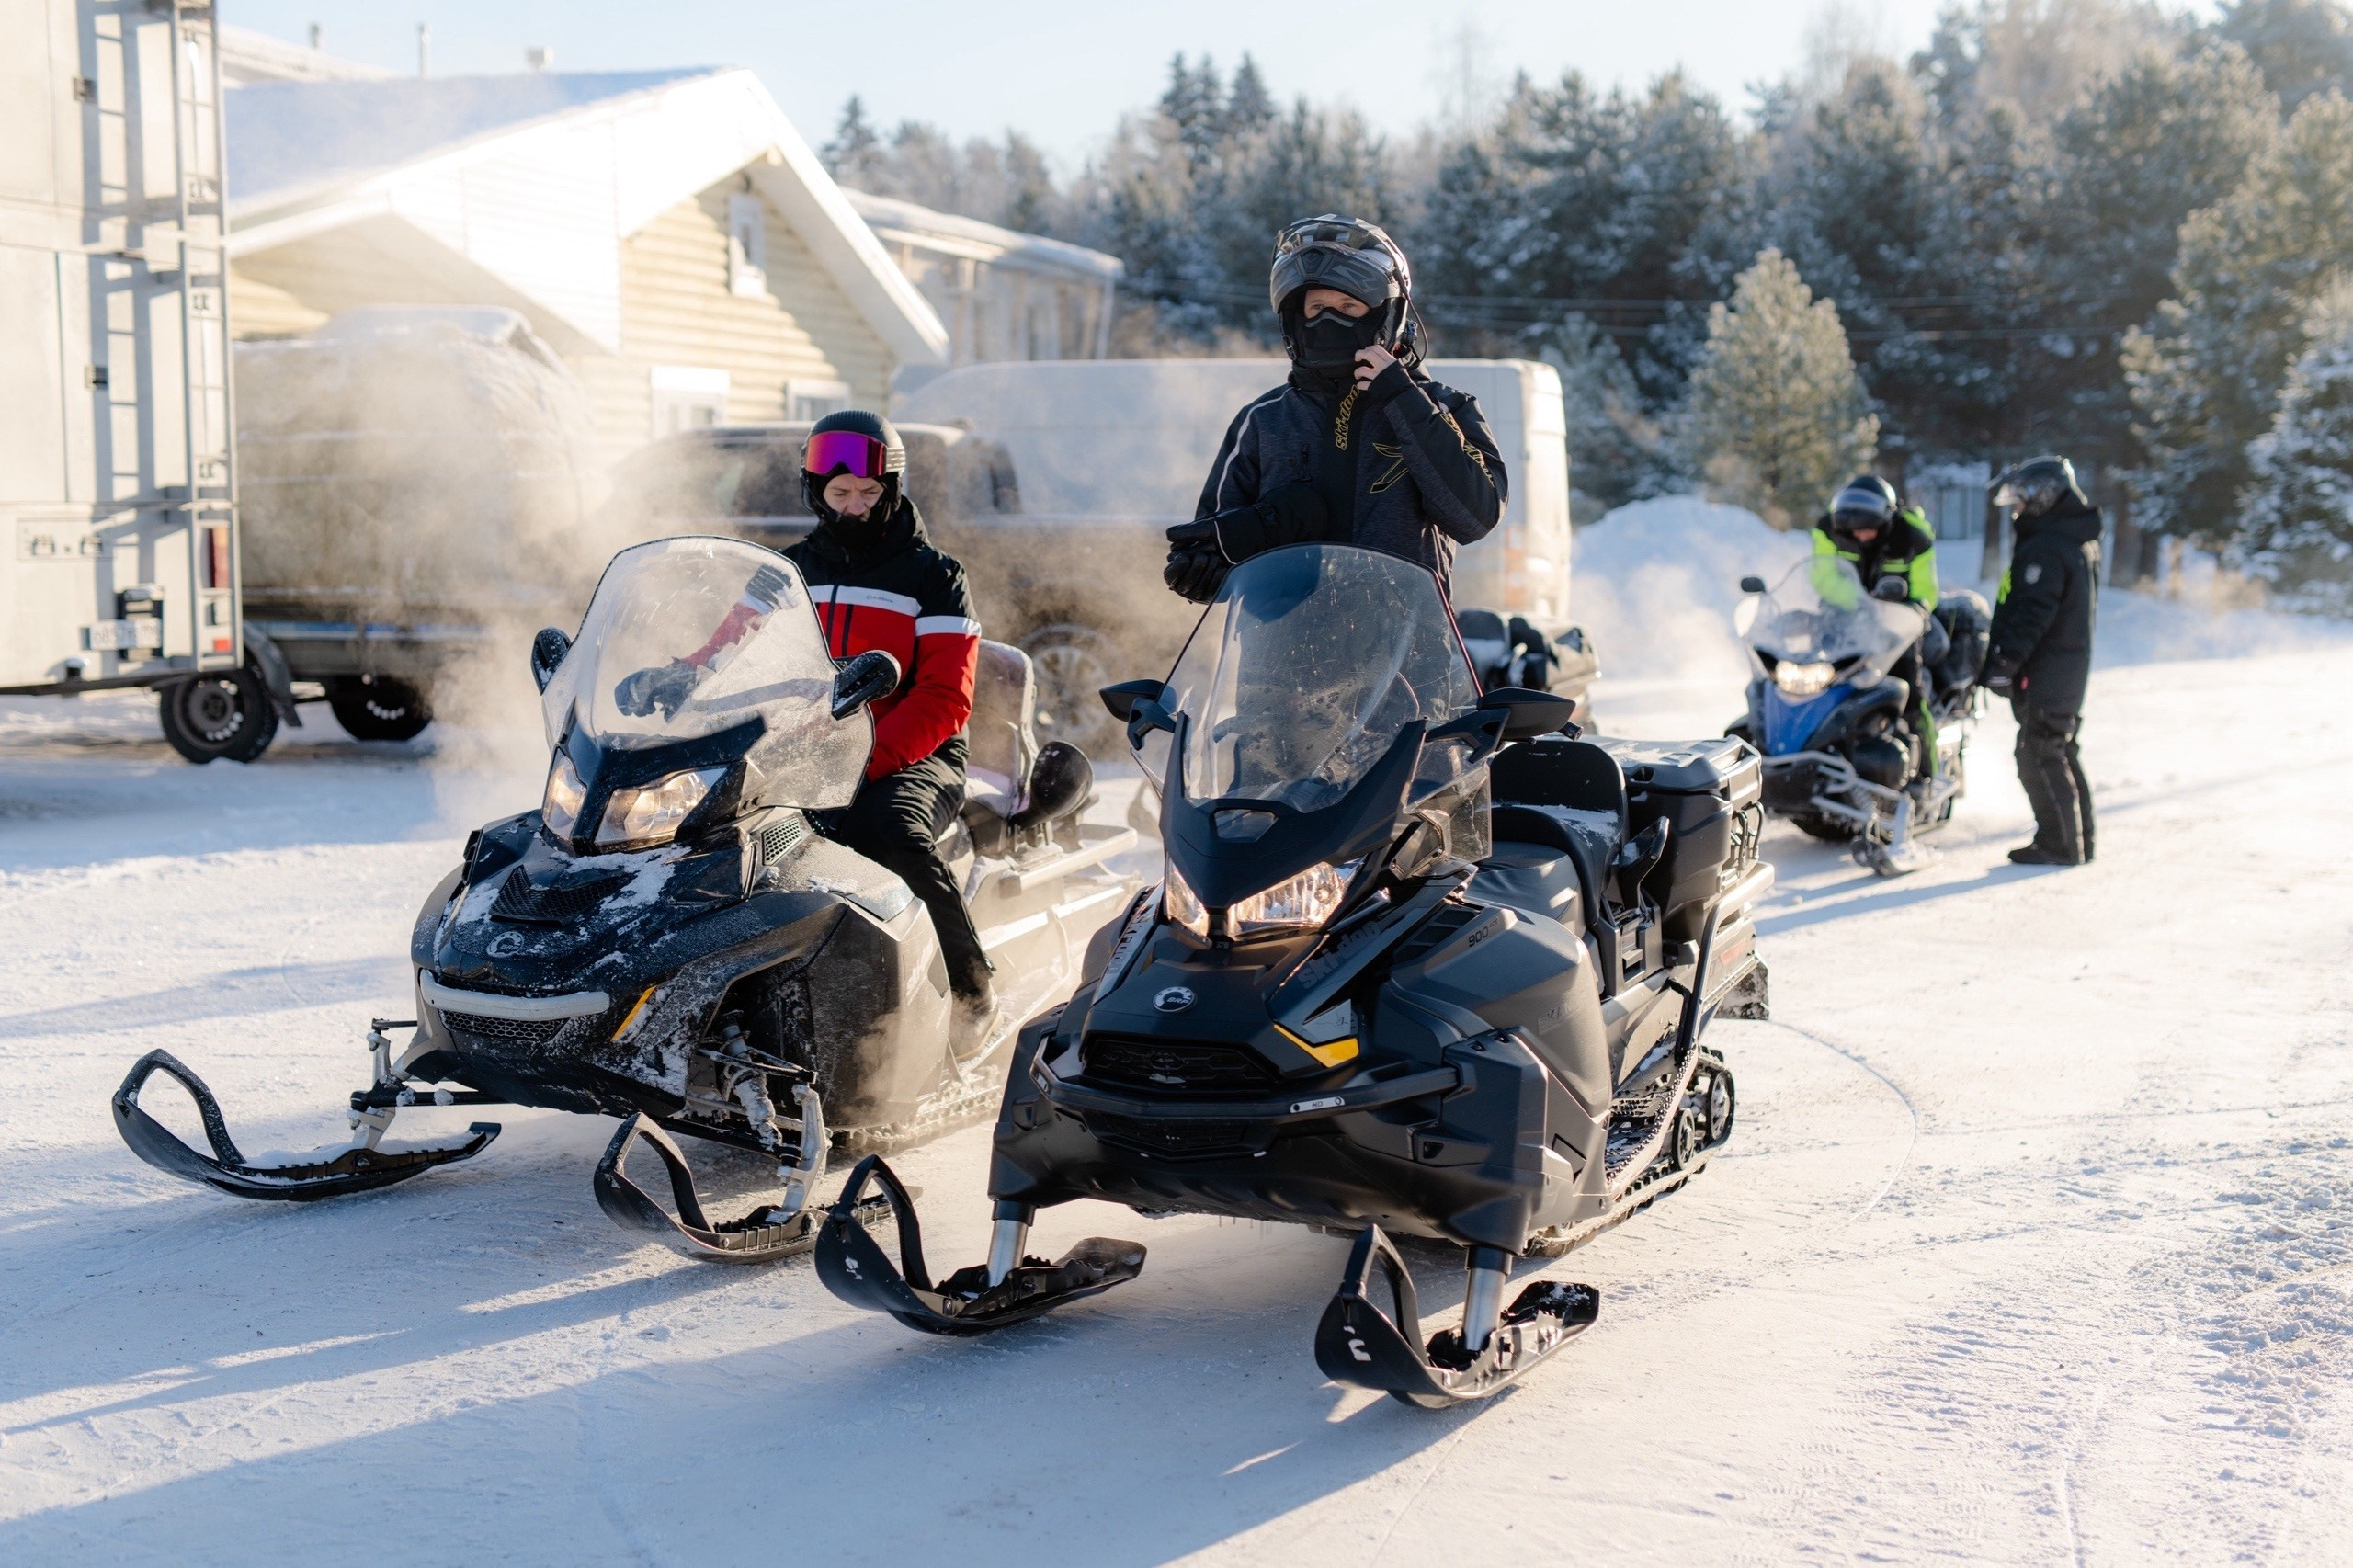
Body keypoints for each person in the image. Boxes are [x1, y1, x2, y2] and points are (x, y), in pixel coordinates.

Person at [780, 411, 999, 1053]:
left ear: (892, 490)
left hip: (911, 751)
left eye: (869, 494)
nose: (853, 508)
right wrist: (677, 677)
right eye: (839, 494)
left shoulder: (932, 574)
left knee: (888, 833)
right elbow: (732, 645)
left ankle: (971, 986)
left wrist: (864, 760)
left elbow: (943, 698)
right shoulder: (790, 570)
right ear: (815, 492)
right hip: (802, 750)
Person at [1163, 215, 1506, 603]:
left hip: (1408, 653)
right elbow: (1210, 544)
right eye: (1317, 306)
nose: (1330, 318)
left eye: (1348, 305)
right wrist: (1213, 567)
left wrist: (1401, 398)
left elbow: (1475, 516)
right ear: (1295, 317)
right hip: (1285, 652)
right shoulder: (1263, 420)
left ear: (1385, 314)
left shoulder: (1447, 406)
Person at [1984, 455, 2099, 867]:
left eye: (2020, 500)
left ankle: (2060, 845)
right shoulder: (2067, 539)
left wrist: (2005, 662)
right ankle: (2078, 843)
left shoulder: (2047, 546)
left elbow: (2033, 613)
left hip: (2048, 669)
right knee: (2058, 749)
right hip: (2062, 667)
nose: (2015, 509)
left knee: (2039, 753)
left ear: (2042, 497)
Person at [1810, 474, 1946, 781]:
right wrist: (1859, 601)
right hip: (1843, 618)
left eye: (1869, 528)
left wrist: (1913, 608)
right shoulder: (1828, 530)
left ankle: (1927, 775)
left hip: (1897, 625)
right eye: (1855, 530)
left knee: (1911, 691)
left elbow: (1927, 589)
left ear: (1886, 517)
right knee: (1816, 684)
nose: (1862, 535)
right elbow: (1821, 575)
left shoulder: (1914, 536)